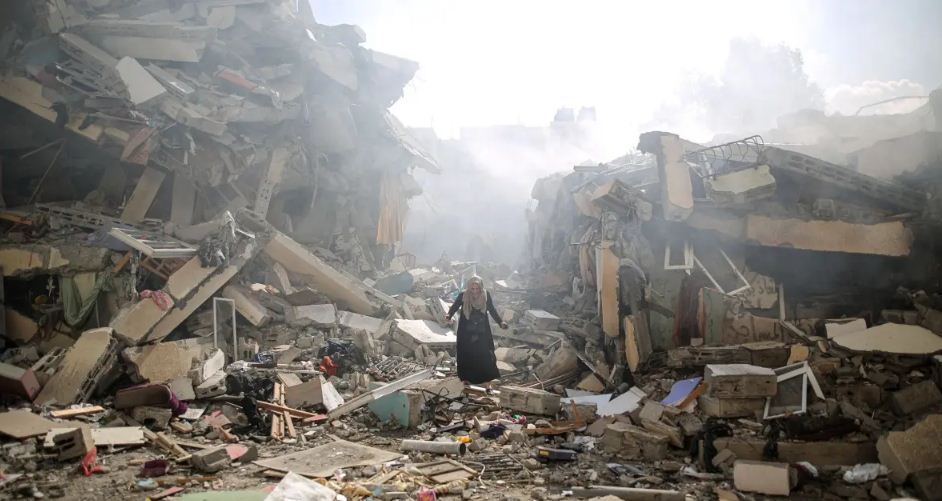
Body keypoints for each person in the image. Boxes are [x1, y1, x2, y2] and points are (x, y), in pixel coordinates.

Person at [445, 276, 507, 384]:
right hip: (466, 330)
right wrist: (449, 315)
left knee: (484, 353)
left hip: (481, 330)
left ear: (481, 287)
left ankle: (487, 380)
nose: (474, 291)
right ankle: (466, 379)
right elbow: (455, 306)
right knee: (466, 353)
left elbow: (492, 309)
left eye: (477, 288)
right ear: (469, 287)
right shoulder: (463, 295)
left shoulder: (486, 295)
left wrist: (500, 322)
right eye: (472, 288)